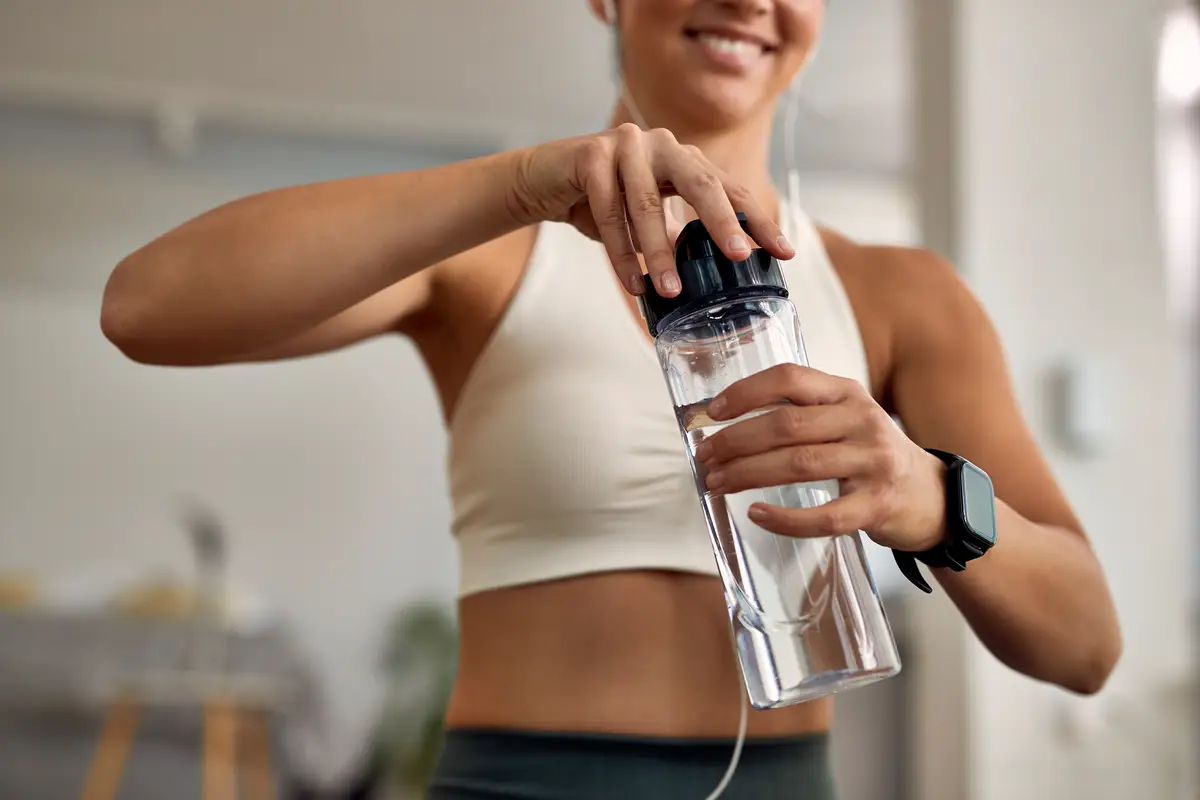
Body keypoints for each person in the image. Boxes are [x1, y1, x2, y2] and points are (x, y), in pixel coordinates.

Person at [98, 1, 1122, 797]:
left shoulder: (904, 297)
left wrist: (931, 493)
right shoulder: (496, 253)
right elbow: (143, 306)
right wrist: (519, 184)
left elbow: (1086, 642)